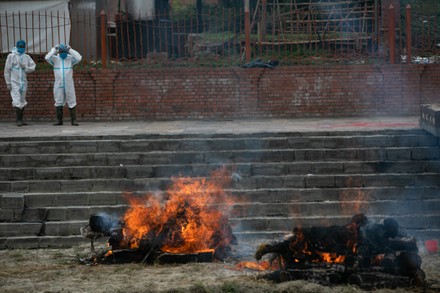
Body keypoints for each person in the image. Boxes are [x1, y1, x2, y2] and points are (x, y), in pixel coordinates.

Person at [45, 44, 82, 126]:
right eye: (61, 52)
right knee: (58, 101)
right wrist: (54, 49)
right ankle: (59, 120)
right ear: (59, 52)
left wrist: (70, 49)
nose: (63, 54)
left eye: (65, 52)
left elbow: (79, 58)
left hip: (69, 84)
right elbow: (47, 57)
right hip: (58, 84)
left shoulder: (70, 59)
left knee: (71, 100)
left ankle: (74, 120)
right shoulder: (55, 59)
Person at [4, 40, 36, 126]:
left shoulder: (26, 57)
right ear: (17, 46)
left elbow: (33, 67)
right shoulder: (11, 56)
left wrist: (25, 67)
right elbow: (7, 71)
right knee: (16, 99)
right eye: (20, 46)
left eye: (23, 46)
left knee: (22, 100)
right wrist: (8, 83)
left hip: (23, 82)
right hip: (14, 81)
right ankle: (18, 120)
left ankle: (21, 119)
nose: (21, 48)